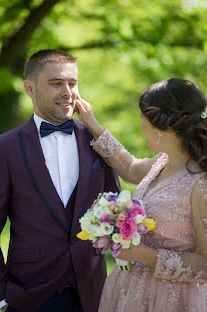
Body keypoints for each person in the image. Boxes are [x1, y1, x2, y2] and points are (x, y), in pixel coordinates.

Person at [0, 49, 121, 312]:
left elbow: (116, 211)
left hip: (93, 295)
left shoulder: (98, 142)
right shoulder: (2, 149)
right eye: (56, 83)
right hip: (29, 297)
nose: (68, 92)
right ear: (30, 88)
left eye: (73, 83)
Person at [75, 78, 207, 312]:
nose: (141, 125)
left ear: (163, 125)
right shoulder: (163, 161)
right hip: (129, 291)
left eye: (144, 118)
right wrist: (92, 124)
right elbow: (129, 168)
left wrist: (146, 255)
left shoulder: (200, 183)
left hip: (171, 300)